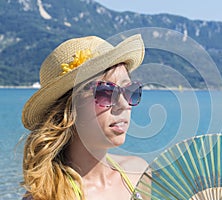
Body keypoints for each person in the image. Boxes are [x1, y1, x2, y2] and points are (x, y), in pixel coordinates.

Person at [21, 34, 148, 200]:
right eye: (106, 93)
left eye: (130, 91)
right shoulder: (47, 195)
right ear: (68, 108)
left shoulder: (139, 173)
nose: (124, 104)